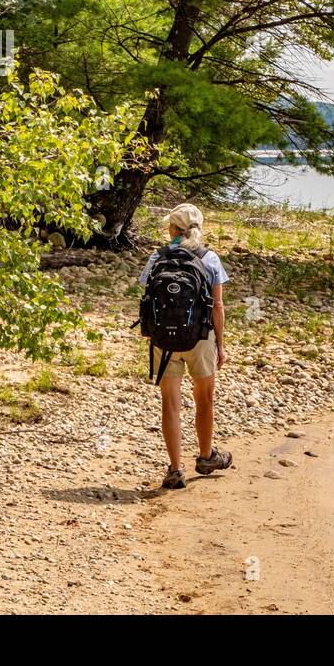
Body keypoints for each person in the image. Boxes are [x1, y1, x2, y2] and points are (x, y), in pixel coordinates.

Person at [138, 203, 232, 488]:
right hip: (200, 339)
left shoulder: (158, 257)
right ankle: (205, 457)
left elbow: (147, 299)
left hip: (163, 342)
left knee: (171, 404)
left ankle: (175, 469)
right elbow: (217, 306)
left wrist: (152, 335)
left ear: (174, 230)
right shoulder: (210, 258)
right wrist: (221, 345)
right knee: (204, 399)